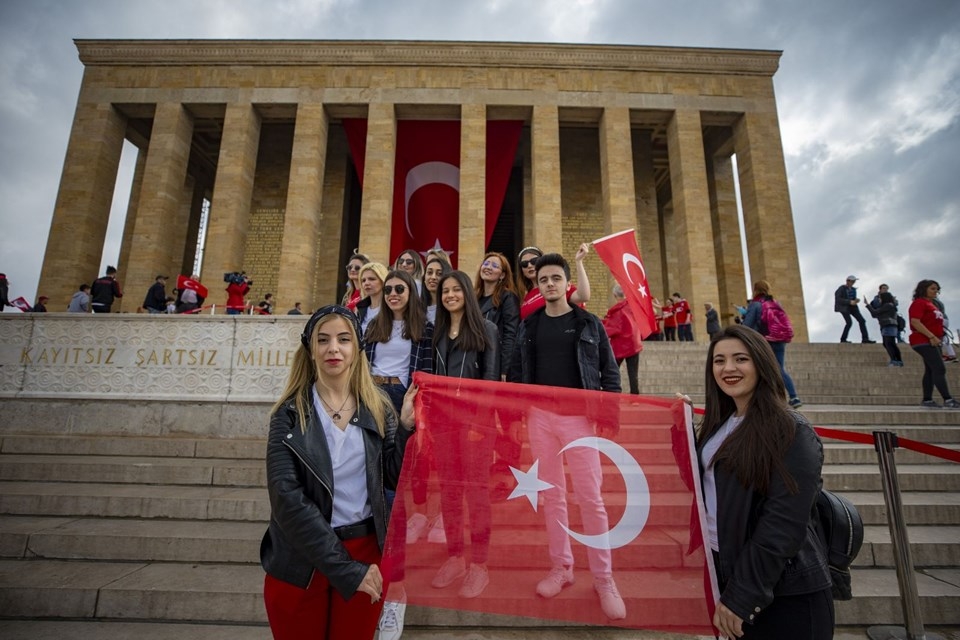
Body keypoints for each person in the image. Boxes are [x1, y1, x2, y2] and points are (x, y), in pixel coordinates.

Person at [260, 304, 417, 640]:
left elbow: (392, 477)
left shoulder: (377, 408)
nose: (334, 348)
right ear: (310, 349)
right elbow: (287, 499)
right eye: (324, 340)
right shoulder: (288, 415)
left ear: (357, 348)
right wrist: (345, 570)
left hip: (365, 549)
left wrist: (404, 429)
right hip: (301, 557)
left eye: (344, 339)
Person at [508, 252, 626, 621]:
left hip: (580, 420)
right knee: (553, 496)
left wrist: (609, 415)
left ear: (566, 282)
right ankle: (562, 567)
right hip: (541, 419)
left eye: (556, 278)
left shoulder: (589, 323)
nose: (550, 285)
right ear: (538, 285)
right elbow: (515, 372)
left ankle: (604, 578)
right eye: (543, 280)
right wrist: (516, 414)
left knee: (591, 498)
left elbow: (609, 370)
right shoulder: (530, 325)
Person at [695, 325, 833, 639]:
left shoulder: (790, 429)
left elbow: (783, 524)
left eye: (740, 359)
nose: (728, 368)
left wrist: (743, 594)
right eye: (719, 361)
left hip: (784, 592)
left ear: (761, 363)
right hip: (731, 576)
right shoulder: (720, 424)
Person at [364, 269, 434, 640]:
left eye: (400, 288)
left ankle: (396, 594)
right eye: (388, 288)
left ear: (411, 292)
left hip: (403, 402)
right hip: (371, 399)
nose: (392, 293)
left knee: (395, 491)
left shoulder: (423, 328)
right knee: (370, 488)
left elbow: (428, 371)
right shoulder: (373, 326)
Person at [430, 270, 499, 599]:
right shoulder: (439, 333)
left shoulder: (486, 329)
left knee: (477, 495)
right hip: (444, 426)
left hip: (474, 428)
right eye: (445, 291)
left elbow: (490, 383)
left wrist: (480, 425)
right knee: (449, 495)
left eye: (456, 290)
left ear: (467, 295)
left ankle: (479, 566)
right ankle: (455, 557)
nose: (450, 295)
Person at [743, 280, 803, 408]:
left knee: (760, 368)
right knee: (778, 368)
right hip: (780, 339)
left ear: (755, 290)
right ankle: (793, 396)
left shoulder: (755, 304)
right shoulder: (775, 303)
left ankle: (765, 398)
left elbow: (747, 325)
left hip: (765, 340)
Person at [908, 280, 959, 409]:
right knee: (939, 368)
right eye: (932, 288)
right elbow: (915, 321)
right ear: (923, 289)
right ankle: (948, 399)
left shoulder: (932, 304)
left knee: (930, 370)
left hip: (933, 341)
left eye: (937, 289)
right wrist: (931, 336)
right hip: (923, 341)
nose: (936, 291)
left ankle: (927, 400)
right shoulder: (919, 303)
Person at [474, 251, 520, 381]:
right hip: (474, 360)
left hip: (494, 362)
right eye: (486, 263)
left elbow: (510, 334)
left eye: (494, 266)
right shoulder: (474, 297)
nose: (488, 267)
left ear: (502, 275)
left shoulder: (508, 297)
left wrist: (505, 369)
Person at [515, 244, 591, 320]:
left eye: (534, 261)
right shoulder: (523, 296)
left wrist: (579, 261)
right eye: (524, 264)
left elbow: (583, 296)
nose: (529, 265)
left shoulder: (557, 287)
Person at [601, 284, 642, 394]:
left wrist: (600, 327)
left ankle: (612, 392)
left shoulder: (617, 311)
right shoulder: (632, 306)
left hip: (621, 345)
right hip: (634, 343)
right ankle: (635, 398)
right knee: (633, 373)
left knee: (612, 371)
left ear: (615, 295)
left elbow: (613, 328)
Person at [864, 291, 903, 366]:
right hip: (889, 325)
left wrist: (868, 305)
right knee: (890, 343)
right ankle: (898, 360)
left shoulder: (888, 305)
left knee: (888, 343)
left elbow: (875, 313)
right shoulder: (889, 306)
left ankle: (894, 360)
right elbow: (874, 314)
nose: (879, 300)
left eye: (880, 298)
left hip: (888, 325)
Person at [834, 275, 874, 343]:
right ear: (847, 281)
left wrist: (855, 300)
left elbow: (852, 298)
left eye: (854, 281)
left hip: (853, 307)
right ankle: (843, 339)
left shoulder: (853, 289)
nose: (853, 283)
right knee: (849, 323)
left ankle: (865, 339)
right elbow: (838, 299)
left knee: (862, 321)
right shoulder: (841, 288)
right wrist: (849, 301)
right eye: (852, 281)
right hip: (844, 308)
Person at [355, 262, 388, 335]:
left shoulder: (392, 308)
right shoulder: (360, 309)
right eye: (363, 280)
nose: (366, 283)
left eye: (371, 279)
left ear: (383, 281)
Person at [421, 256, 450, 324]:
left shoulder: (451, 307)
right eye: (429, 272)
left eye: (439, 274)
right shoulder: (416, 307)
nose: (433, 277)